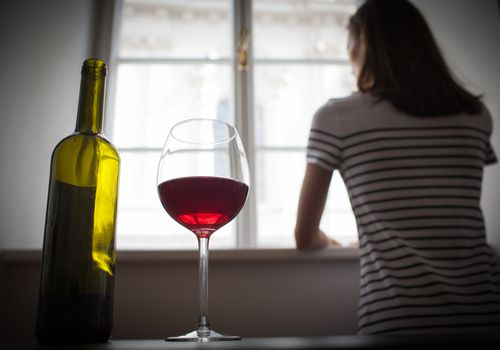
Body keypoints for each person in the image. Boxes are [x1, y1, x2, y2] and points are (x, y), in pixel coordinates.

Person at [294, 0, 500, 335]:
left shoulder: (336, 118)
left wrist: (329, 242)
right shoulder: (476, 115)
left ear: (362, 45)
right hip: (485, 317)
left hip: (396, 321)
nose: (349, 60)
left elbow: (304, 236)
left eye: (350, 45)